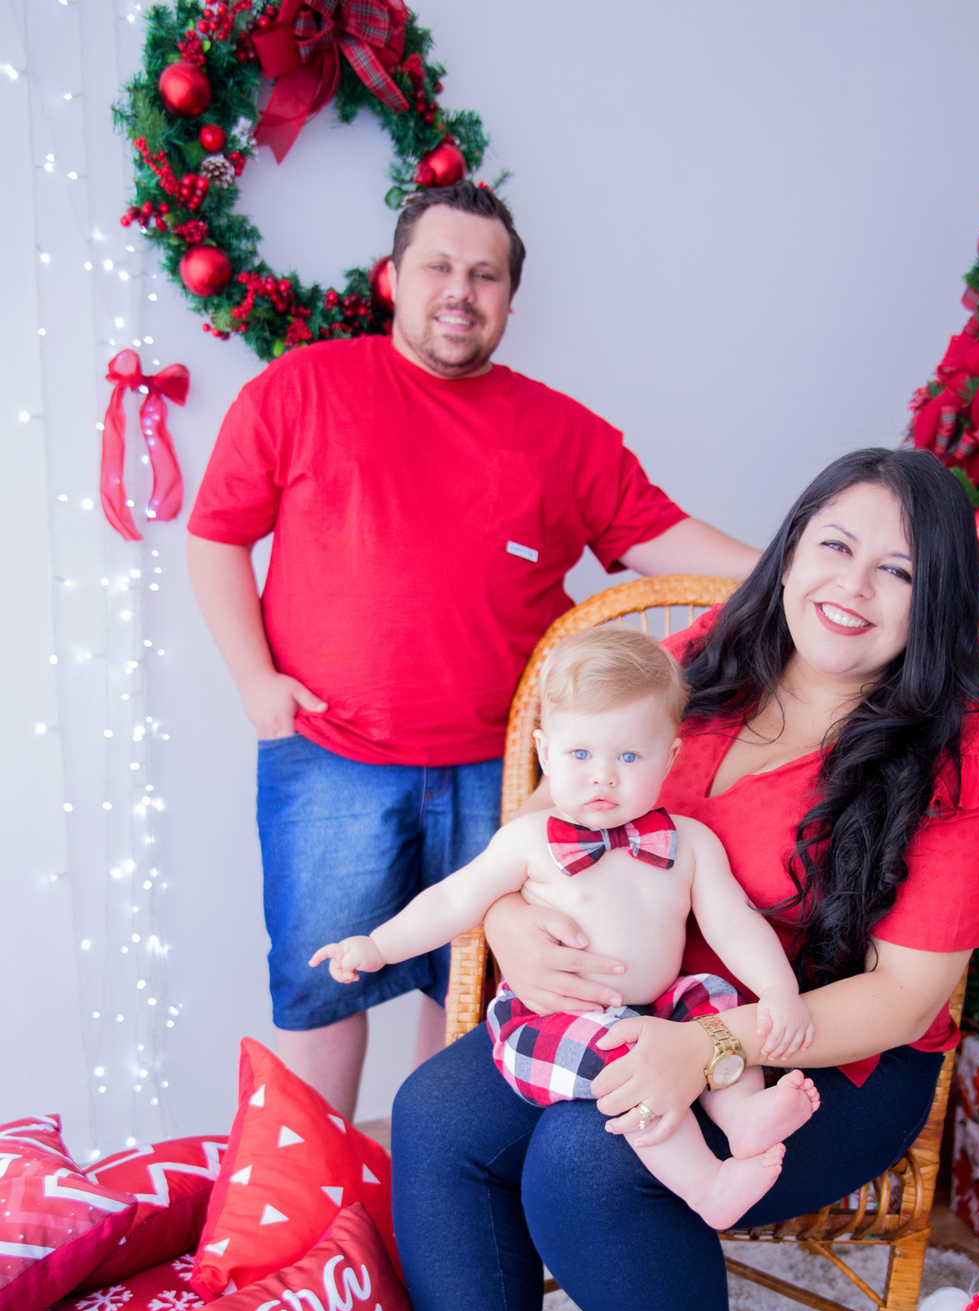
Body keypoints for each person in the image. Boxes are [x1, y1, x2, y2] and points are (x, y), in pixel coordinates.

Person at [335, 447, 979, 1311]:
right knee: (436, 1112)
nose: (853, 587)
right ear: (792, 545)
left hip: (822, 1056)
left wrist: (708, 1049)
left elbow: (903, 998)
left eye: (899, 572)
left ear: (939, 599)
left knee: (589, 1158)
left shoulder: (954, 762)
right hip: (628, 1008)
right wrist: (510, 917)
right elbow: (554, 811)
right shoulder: (691, 670)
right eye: (835, 546)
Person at [186, 181, 757, 1119]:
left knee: (472, 995)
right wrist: (254, 680)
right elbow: (215, 536)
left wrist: (790, 570)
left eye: (484, 275)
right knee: (319, 986)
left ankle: (428, 1204)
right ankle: (304, 1216)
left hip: (509, 772)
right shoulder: (300, 390)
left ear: (508, 301)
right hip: (331, 754)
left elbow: (664, 539)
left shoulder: (563, 434)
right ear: (394, 279)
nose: (461, 290)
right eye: (440, 267)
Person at [310, 626, 820, 1226]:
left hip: (657, 1007)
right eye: (581, 755)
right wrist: (375, 944)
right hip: (556, 1021)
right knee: (626, 1068)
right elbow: (452, 902)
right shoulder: (526, 842)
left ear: (670, 758)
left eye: (628, 757)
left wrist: (780, 991)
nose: (603, 776)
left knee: (712, 1000)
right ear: (546, 753)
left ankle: (742, 1117)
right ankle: (704, 1184)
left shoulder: (691, 844)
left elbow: (734, 925)